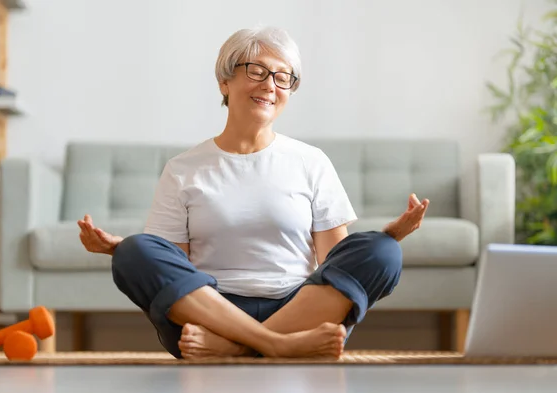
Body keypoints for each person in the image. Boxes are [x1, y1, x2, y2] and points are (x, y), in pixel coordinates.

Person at [77, 26, 429, 360]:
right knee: (133, 251)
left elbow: (336, 263)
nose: (270, 85)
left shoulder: (311, 162)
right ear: (224, 82)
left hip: (299, 309)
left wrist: (389, 237)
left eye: (282, 77)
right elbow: (176, 271)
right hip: (211, 316)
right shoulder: (183, 168)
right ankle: (279, 346)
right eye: (257, 71)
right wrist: (118, 249)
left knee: (383, 251)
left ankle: (237, 350)